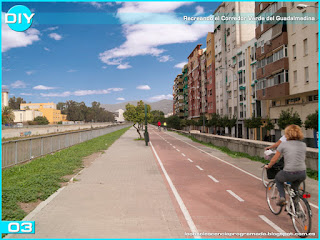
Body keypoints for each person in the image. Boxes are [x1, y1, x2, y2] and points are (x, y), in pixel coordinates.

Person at [264, 125, 306, 206]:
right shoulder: (303, 145)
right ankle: (296, 208)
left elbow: (274, 159)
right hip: (302, 173)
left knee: (278, 179)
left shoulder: (283, 145)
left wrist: (269, 166)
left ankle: (282, 197)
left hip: (289, 172)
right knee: (294, 189)